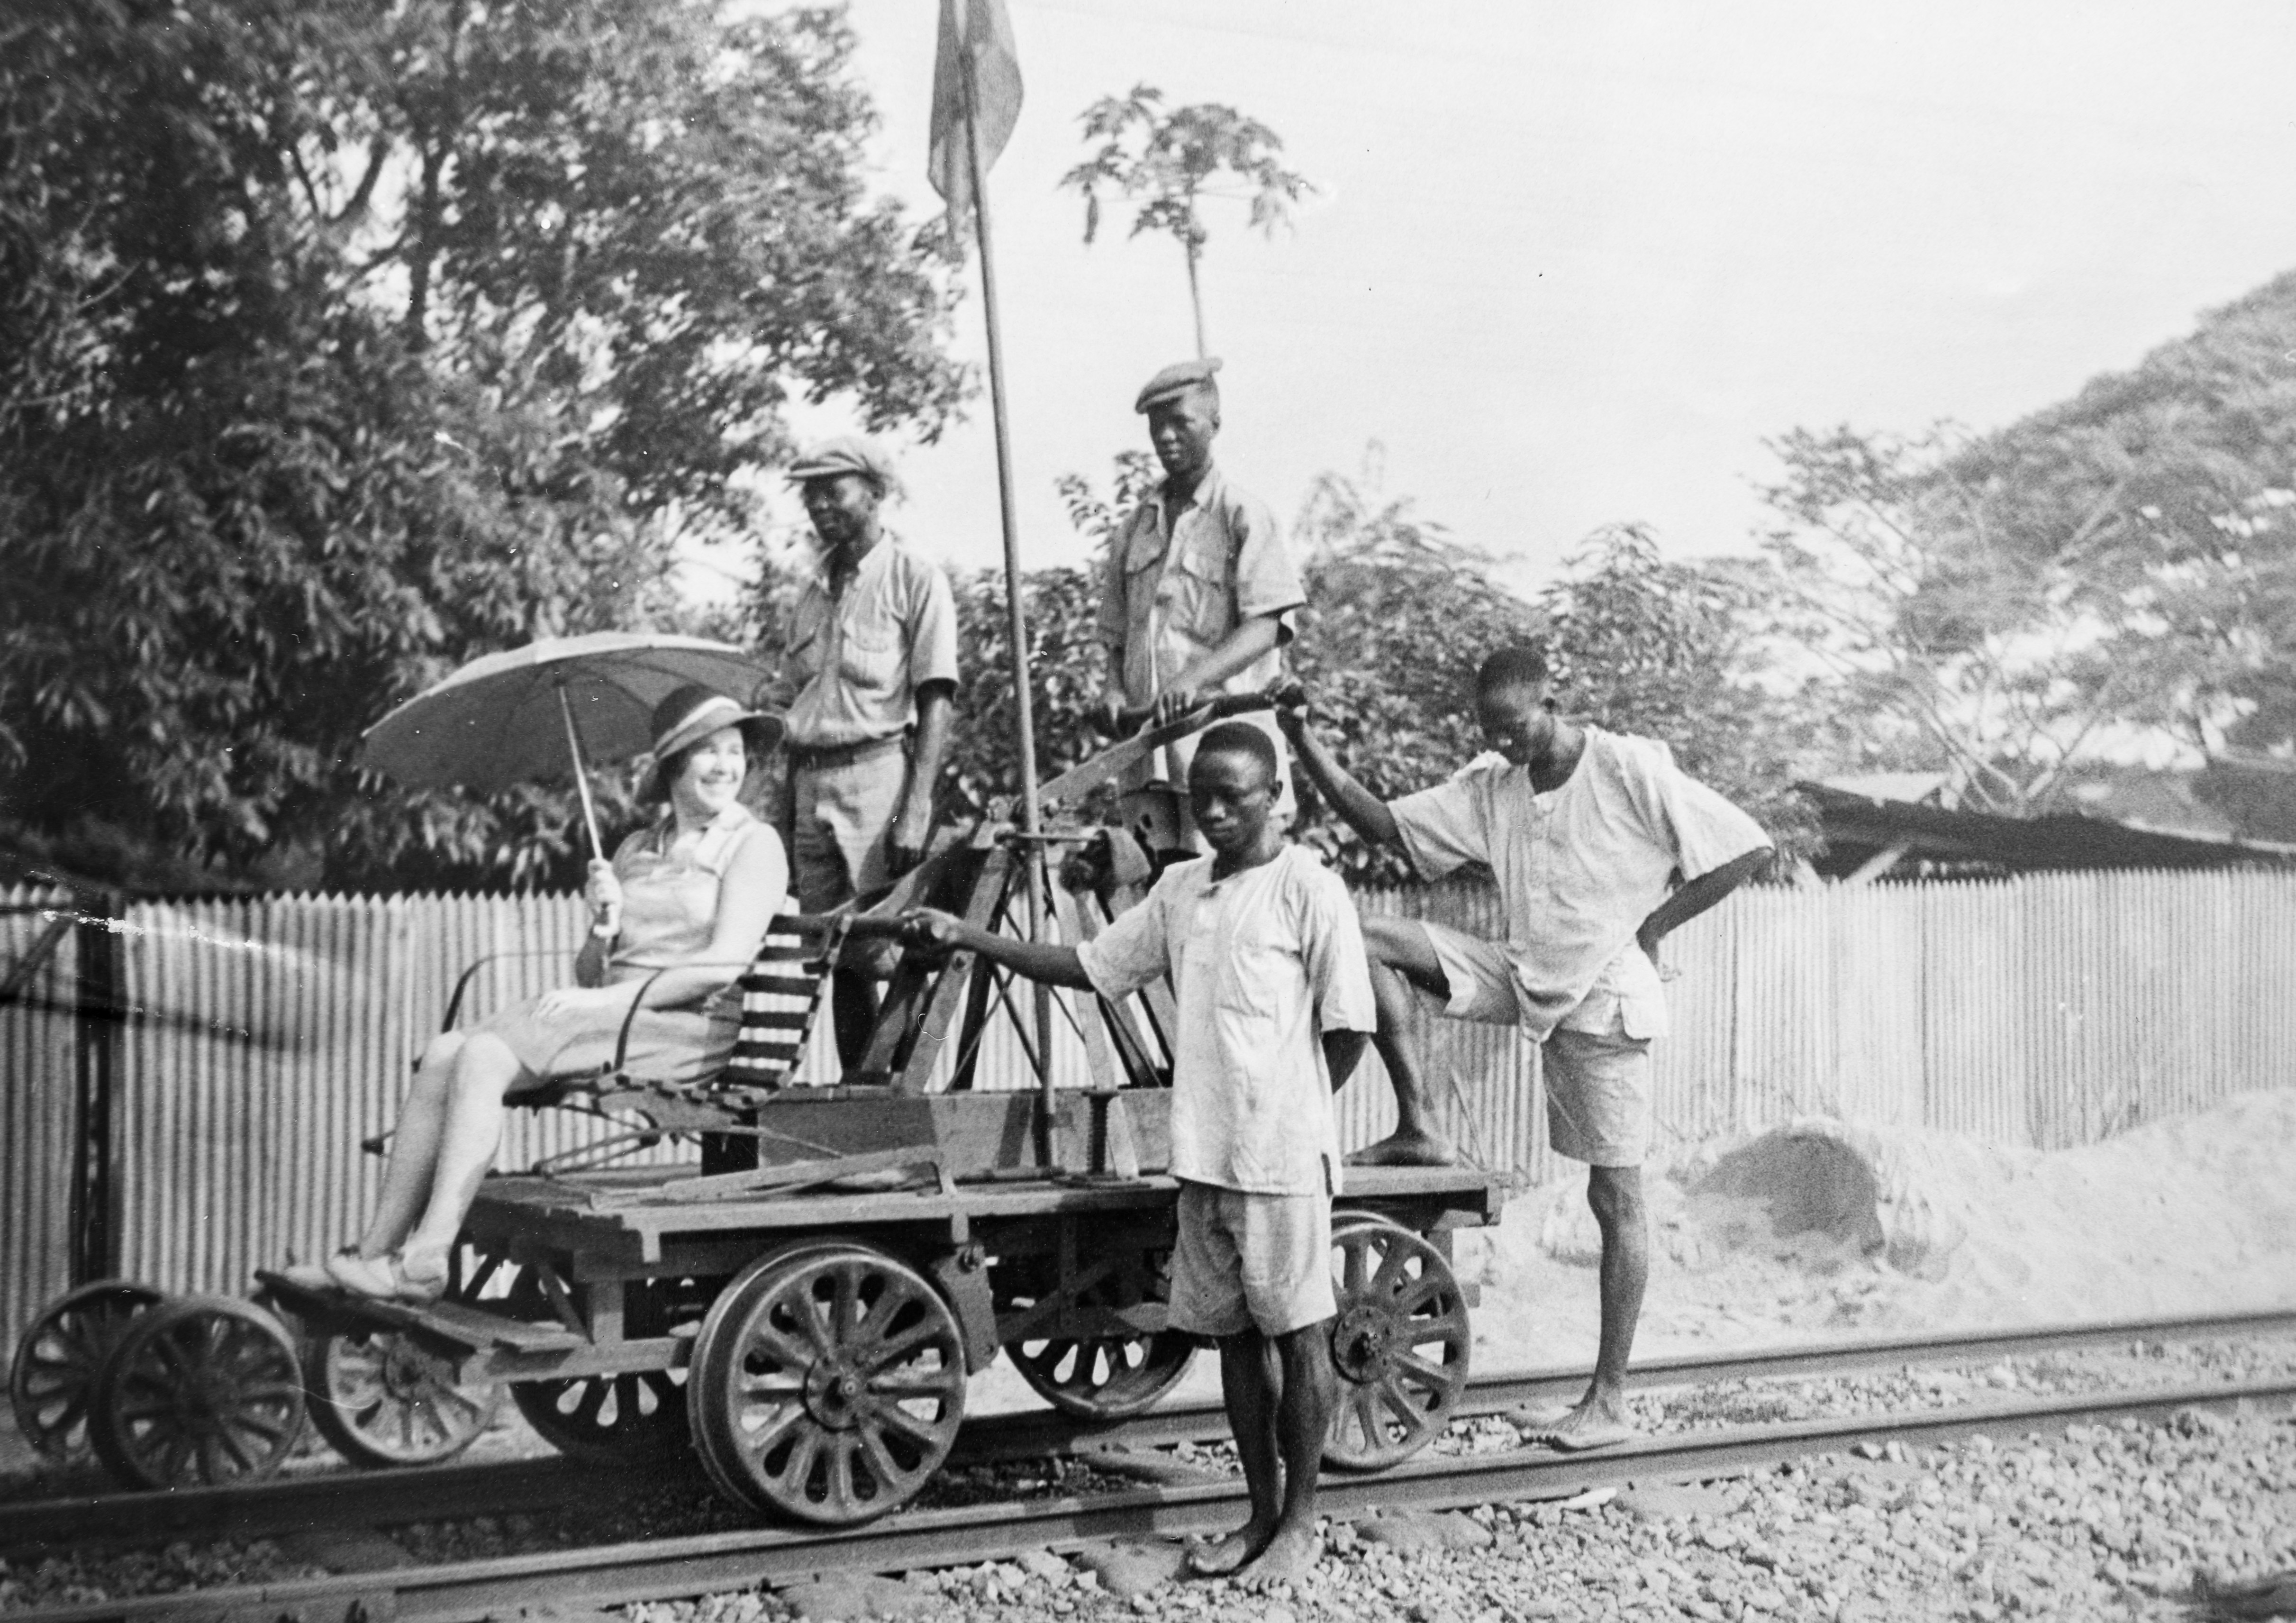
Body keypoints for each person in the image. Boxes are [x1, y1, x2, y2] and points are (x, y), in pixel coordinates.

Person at [904, 722, 1373, 1589]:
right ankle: (1259, 1513)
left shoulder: (1311, 889)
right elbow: (1091, 965)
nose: (1219, 810)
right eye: (1205, 797)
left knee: (1302, 1337)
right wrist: (972, 941)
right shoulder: (1183, 888)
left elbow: (1348, 1029)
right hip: (1202, 1159)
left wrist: (1291, 1112)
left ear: (1276, 797)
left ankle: (1303, 1520)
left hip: (1281, 1162)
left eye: (1237, 795)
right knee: (1233, 1342)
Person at [1278, 645, 1772, 1449]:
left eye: (1515, 727)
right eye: (1492, 730)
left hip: (1604, 997)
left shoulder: (1625, 767)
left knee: (1615, 1200)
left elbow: (1748, 846)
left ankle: (1609, 1398)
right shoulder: (1495, 785)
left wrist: (1654, 924)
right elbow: (1387, 823)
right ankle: (1421, 1124)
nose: (1505, 743)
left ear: (1553, 698)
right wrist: (1302, 739)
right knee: (1363, 937)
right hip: (1523, 970)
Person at [296, 686, 788, 1303]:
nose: (727, 766)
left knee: (482, 1056)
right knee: (446, 1051)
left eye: (735, 751)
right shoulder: (636, 849)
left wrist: (605, 1002)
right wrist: (603, 927)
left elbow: (722, 967)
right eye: (707, 751)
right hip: (619, 1020)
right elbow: (591, 974)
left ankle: (424, 1261)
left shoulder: (754, 844)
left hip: (688, 1029)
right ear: (672, 764)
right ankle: (372, 1257)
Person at [773, 436, 959, 1068]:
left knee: (897, 946)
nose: (820, 505)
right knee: (836, 952)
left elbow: (937, 697)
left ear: (874, 494)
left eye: (834, 489)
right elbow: (795, 698)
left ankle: (901, 1121)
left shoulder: (914, 577)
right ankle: (861, 1104)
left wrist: (917, 804)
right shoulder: (811, 591)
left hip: (879, 777)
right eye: (810, 493)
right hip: (811, 784)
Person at [1097, 357, 1306, 850]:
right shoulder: (1134, 529)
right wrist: (1110, 691)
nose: (1167, 437)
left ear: (1214, 424)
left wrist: (1194, 677)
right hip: (1146, 756)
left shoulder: (1243, 515)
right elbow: (1113, 636)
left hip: (1223, 759)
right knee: (1160, 904)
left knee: (1235, 901)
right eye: (1156, 427)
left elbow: (1268, 624)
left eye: (1181, 423)